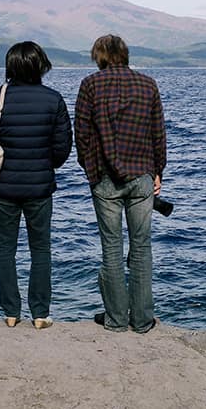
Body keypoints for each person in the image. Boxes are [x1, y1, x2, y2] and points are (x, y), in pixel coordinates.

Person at [0, 41, 72, 330]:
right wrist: (44, 164)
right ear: (41, 65)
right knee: (41, 249)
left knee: (5, 248)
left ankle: (11, 313)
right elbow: (63, 147)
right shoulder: (54, 100)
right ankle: (40, 314)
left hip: (4, 187)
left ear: (10, 66)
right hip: (40, 187)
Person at [74, 34, 166, 334]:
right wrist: (158, 171)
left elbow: (82, 135)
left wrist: (92, 171)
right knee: (141, 247)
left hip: (104, 181)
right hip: (141, 177)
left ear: (99, 57)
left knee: (111, 249)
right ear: (125, 54)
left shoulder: (90, 85)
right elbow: (158, 134)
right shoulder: (148, 85)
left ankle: (115, 319)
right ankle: (141, 321)